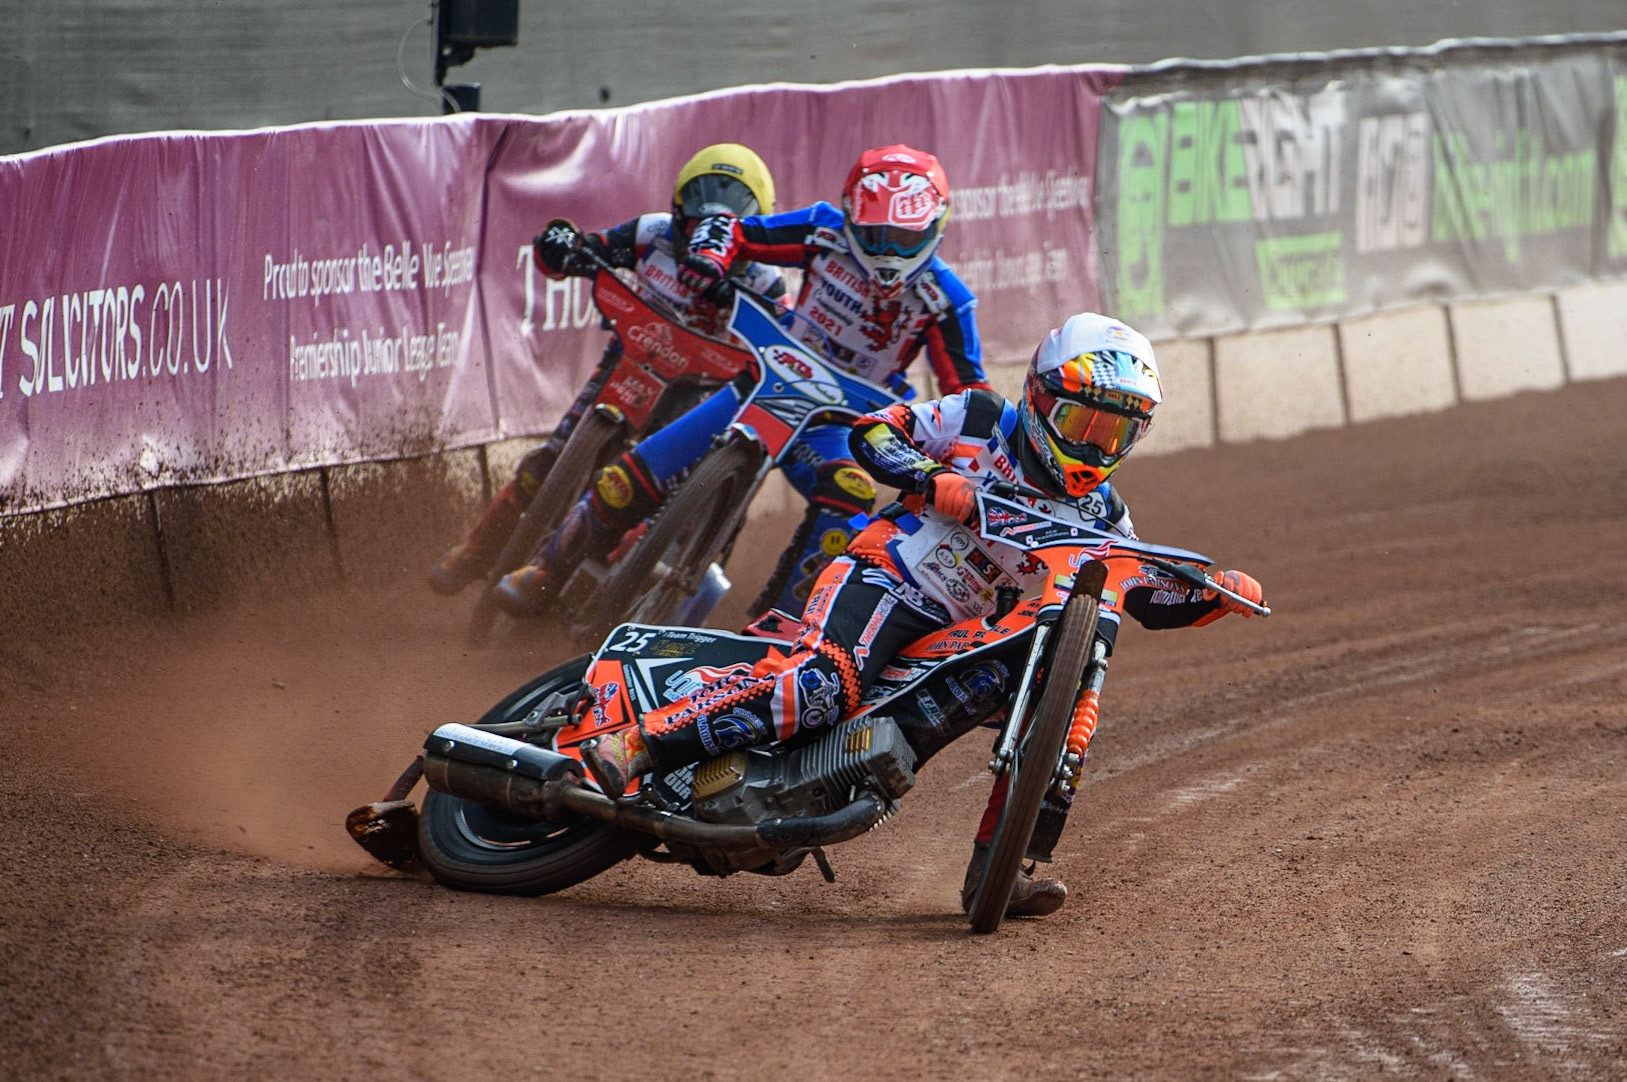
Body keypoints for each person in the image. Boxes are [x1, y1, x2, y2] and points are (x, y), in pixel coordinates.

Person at [580, 311, 1267, 918]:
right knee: (824, 685)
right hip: (886, 577)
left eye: (1116, 433)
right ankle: (640, 743)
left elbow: (1144, 594)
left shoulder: (1105, 516)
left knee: (1057, 691)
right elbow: (875, 432)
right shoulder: (980, 419)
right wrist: (930, 476)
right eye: (1081, 424)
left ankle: (1004, 868)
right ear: (1038, 398)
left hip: (956, 632)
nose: (1094, 447)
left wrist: (1213, 593)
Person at [491, 143, 991, 623]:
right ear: (849, 218)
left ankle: (784, 624)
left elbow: (967, 393)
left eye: (902, 239)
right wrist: (709, 262)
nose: (887, 251)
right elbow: (739, 233)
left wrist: (976, 460)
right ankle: (547, 569)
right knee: (629, 478)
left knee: (850, 490)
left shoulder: (947, 299)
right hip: (761, 386)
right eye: (874, 235)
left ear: (935, 228)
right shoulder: (822, 230)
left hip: (836, 423)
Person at [427, 143, 785, 596]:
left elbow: (779, 352)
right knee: (546, 464)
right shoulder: (651, 232)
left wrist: (739, 310)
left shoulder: (764, 280)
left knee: (658, 495)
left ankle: (607, 584)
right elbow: (592, 249)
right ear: (679, 207)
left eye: (727, 218)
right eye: (698, 211)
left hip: (698, 390)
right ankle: (477, 552)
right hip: (628, 361)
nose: (705, 230)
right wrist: (564, 247)